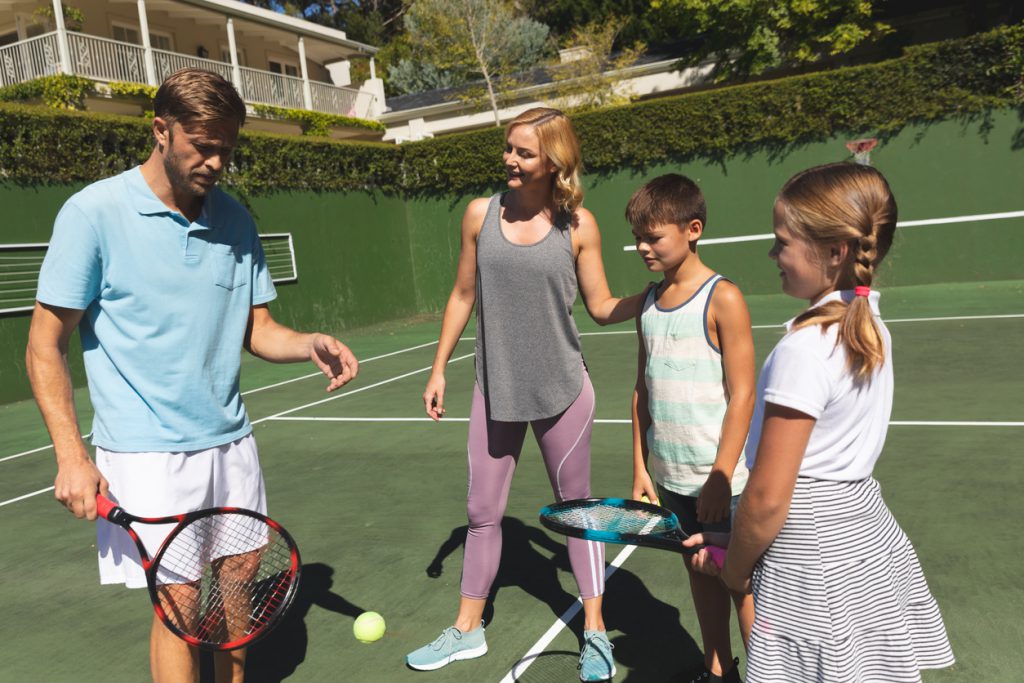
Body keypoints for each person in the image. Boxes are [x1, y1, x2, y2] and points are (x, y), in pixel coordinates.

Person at [25, 68, 359, 683]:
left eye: (226, 149)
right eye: (202, 146)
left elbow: (255, 328)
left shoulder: (236, 220)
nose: (215, 162)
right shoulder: (93, 214)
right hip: (148, 455)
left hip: (231, 442)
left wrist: (308, 341)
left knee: (236, 592)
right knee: (178, 611)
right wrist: (71, 456)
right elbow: (45, 345)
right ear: (161, 130)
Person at [683, 162, 955, 681]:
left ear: (836, 253)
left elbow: (765, 499)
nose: (772, 255)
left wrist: (734, 572)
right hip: (863, 535)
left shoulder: (804, 348)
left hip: (810, 558)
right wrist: (732, 546)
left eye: (782, 241)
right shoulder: (870, 323)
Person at [406, 107, 639, 682]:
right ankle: (466, 631)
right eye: (508, 148)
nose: (510, 159)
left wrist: (659, 294)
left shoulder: (578, 226)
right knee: (482, 512)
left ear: (553, 161)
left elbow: (603, 306)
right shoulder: (479, 214)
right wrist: (438, 369)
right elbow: (463, 294)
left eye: (524, 152)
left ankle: (594, 633)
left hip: (564, 391)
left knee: (578, 514)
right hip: (495, 388)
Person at [627, 174, 755, 683]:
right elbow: (642, 391)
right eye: (637, 237)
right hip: (672, 479)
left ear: (693, 229)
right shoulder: (648, 304)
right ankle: (717, 668)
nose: (642, 247)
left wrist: (721, 477)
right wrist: (640, 466)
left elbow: (743, 393)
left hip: (721, 484)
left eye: (653, 237)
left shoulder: (723, 297)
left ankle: (766, 674)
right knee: (699, 574)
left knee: (739, 583)